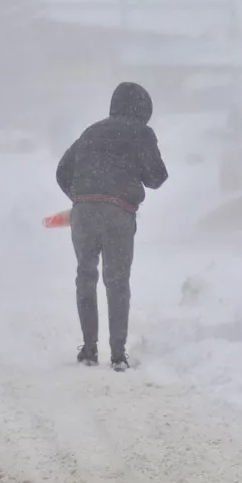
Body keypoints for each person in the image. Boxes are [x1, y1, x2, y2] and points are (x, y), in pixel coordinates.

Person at [55, 82, 168, 371]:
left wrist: (81, 198)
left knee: (86, 275)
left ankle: (89, 350)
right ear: (142, 109)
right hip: (119, 211)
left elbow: (62, 171)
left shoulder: (91, 132)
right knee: (117, 282)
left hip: (83, 211)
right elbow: (157, 177)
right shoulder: (141, 133)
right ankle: (118, 355)